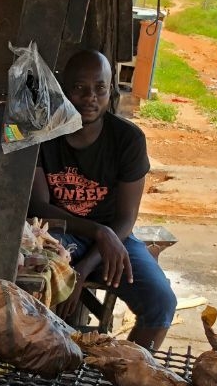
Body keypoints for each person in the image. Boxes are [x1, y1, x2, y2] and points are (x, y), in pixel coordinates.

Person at [28, 49, 177, 352]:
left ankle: (126, 373)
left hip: (113, 238)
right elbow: (39, 208)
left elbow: (125, 217)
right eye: (79, 88)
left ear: (111, 90)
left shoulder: (128, 140)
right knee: (34, 287)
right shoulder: (43, 135)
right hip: (56, 232)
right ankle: (44, 364)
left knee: (161, 301)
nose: (90, 97)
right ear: (64, 90)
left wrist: (84, 267)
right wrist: (96, 231)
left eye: (100, 88)